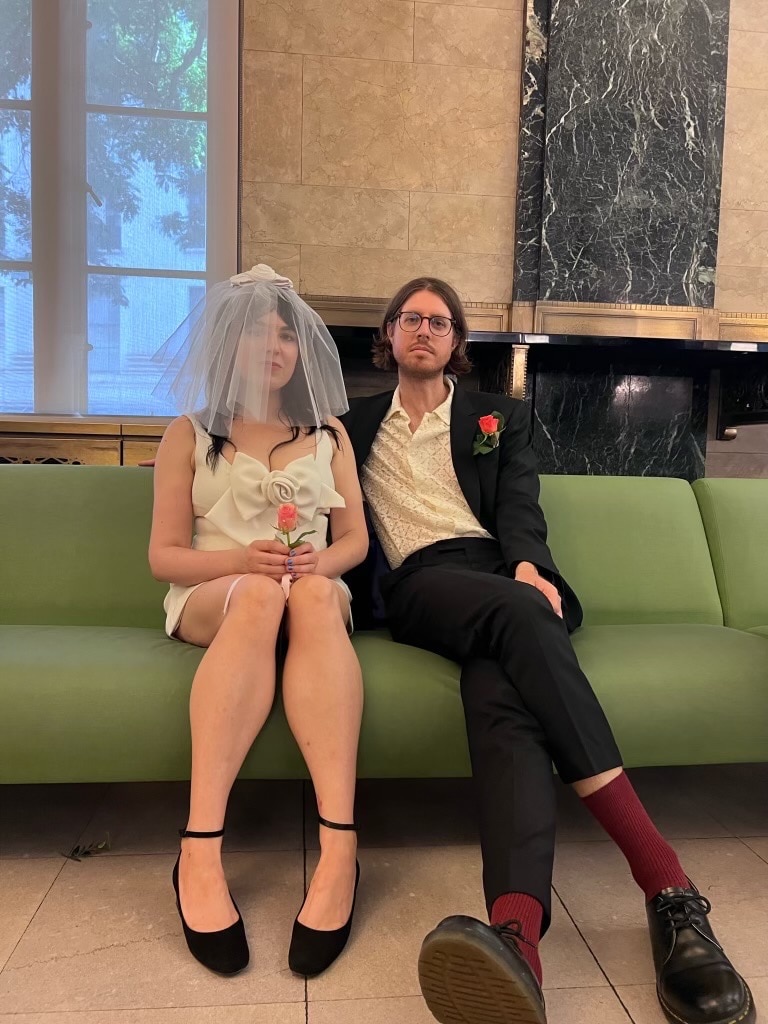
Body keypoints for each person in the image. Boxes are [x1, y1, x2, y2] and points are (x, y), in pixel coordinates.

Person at [340, 277, 755, 1024]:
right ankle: (667, 885)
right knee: (521, 615)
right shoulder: (349, 425)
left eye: (440, 321)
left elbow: (520, 504)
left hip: (500, 576)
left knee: (503, 703)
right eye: (411, 318)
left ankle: (516, 937)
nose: (425, 330)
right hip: (422, 584)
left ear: (458, 342)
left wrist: (528, 563)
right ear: (389, 333)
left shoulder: (503, 416)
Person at [148, 265, 368, 978]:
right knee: (259, 594)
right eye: (256, 332)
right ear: (228, 344)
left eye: (285, 334)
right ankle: (199, 850)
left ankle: (339, 850)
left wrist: (319, 568)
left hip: (309, 594)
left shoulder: (329, 431)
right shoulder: (187, 433)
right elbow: (164, 558)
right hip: (219, 594)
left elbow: (354, 540)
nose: (274, 345)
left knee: (297, 595)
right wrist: (242, 560)